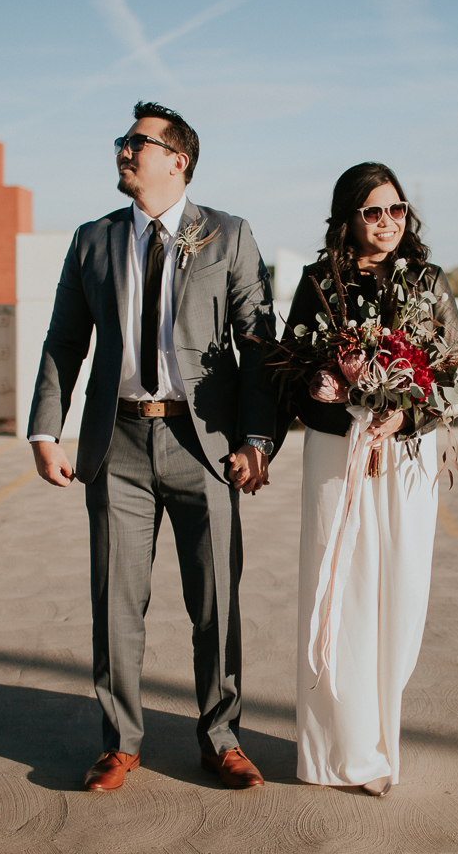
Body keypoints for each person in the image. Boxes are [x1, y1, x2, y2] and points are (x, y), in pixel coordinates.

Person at [28, 102, 277, 792]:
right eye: (122, 141)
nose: (123, 152)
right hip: (120, 443)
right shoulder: (94, 240)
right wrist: (46, 429)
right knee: (116, 603)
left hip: (205, 446)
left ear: (178, 159)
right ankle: (120, 743)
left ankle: (222, 738)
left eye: (137, 142)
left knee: (216, 605)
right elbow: (64, 341)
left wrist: (258, 440)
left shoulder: (228, 235)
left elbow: (260, 345)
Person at [281, 162, 458, 797]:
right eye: (373, 212)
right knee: (341, 592)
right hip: (337, 454)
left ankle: (384, 737)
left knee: (401, 592)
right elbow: (289, 377)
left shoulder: (428, 281)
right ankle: (341, 752)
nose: (388, 223)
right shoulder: (318, 283)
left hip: (409, 458)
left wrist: (404, 412)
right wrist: (339, 397)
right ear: (347, 218)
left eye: (398, 210)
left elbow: (455, 377)